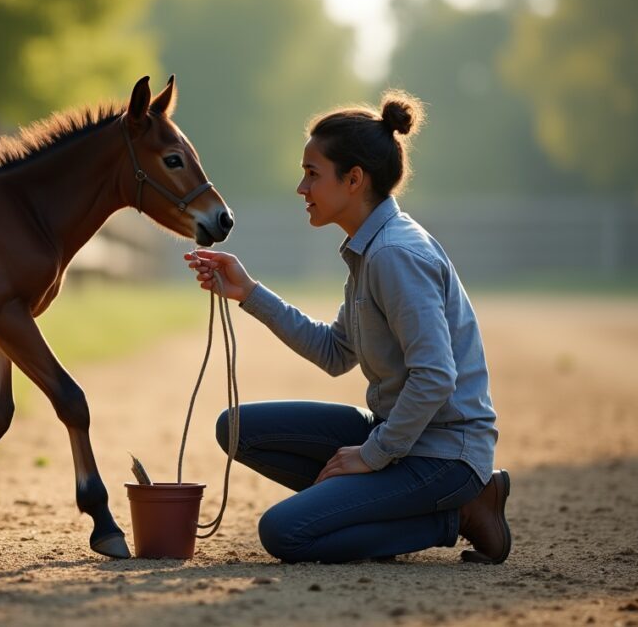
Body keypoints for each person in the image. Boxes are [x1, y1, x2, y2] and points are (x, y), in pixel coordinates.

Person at [184, 91, 511, 564]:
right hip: (399, 435)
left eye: (312, 174)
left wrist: (372, 455)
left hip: (443, 456)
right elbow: (336, 352)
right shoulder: (368, 249)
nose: (301, 188)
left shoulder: (395, 254)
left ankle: (460, 514)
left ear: (354, 179)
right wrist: (249, 292)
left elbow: (436, 376)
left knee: (285, 533)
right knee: (236, 428)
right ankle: (374, 506)